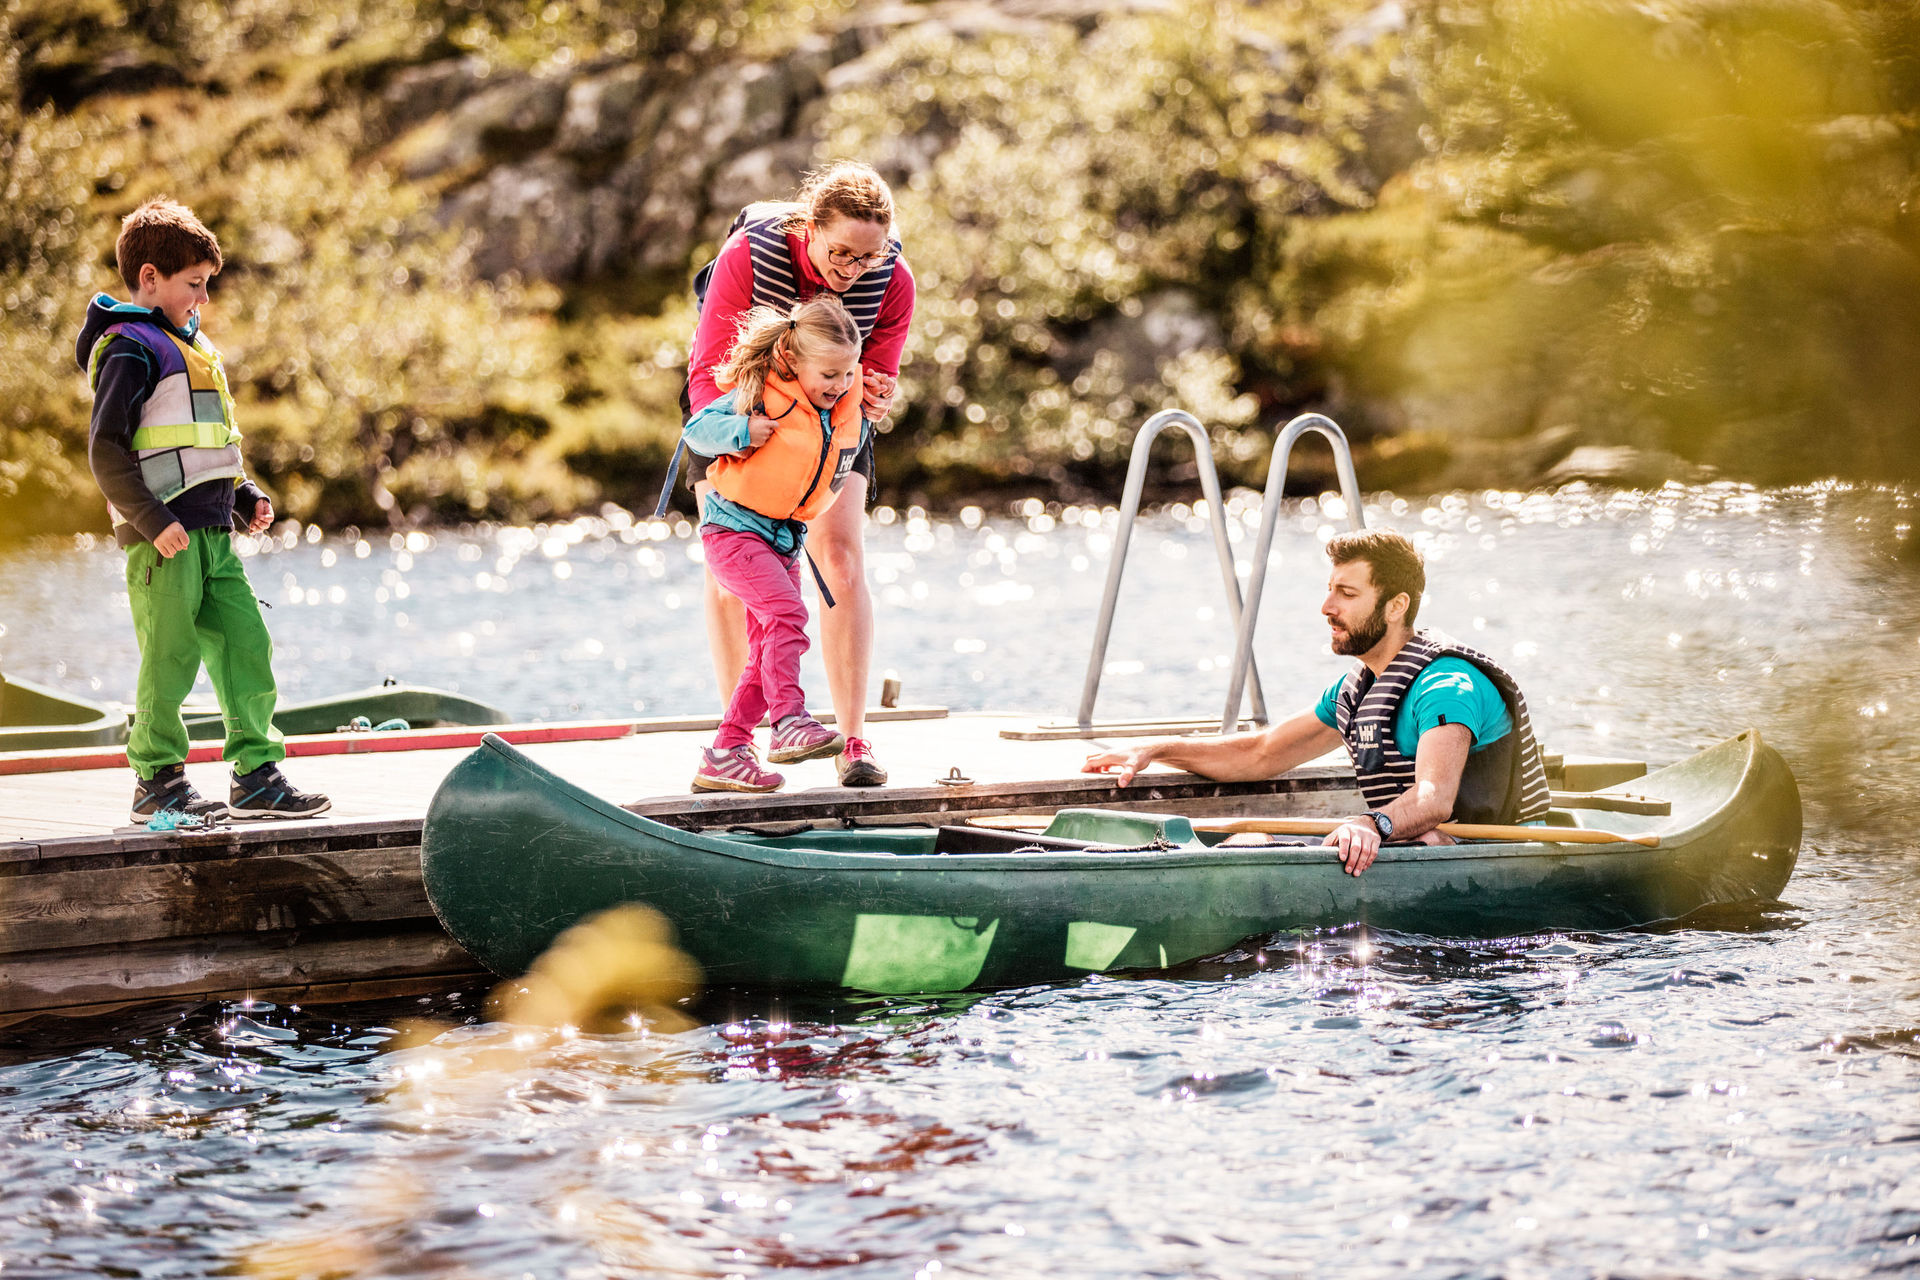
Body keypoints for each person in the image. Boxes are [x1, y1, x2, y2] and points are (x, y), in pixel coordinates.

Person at [1083, 529, 1550, 875]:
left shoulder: (1447, 685)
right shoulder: (1358, 687)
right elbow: (1261, 753)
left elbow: (1433, 801)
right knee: (1250, 840)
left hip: (1486, 857)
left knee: (1423, 833)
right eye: (1329, 590)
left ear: (1395, 606)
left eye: (1346, 594)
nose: (1327, 607)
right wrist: (1158, 751)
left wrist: (1370, 825)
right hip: (1409, 844)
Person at [75, 197, 329, 825]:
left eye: (207, 284)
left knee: (247, 642)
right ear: (150, 279)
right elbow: (106, 452)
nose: (203, 298)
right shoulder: (132, 349)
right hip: (162, 538)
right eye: (194, 284)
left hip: (213, 535)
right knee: (170, 655)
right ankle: (156, 781)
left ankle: (256, 775)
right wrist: (152, 521)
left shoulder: (195, 347)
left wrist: (244, 496)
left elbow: (209, 445)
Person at [674, 160, 914, 787]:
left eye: (868, 257)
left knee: (842, 558)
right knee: (736, 579)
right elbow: (706, 372)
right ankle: (740, 749)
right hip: (737, 409)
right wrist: (736, 437)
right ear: (810, 226)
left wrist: (876, 398)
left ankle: (853, 740)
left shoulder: (893, 279)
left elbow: (873, 382)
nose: (852, 270)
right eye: (840, 253)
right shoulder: (750, 255)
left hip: (832, 417)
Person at [681, 295, 872, 793]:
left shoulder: (839, 408)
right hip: (733, 533)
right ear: (791, 359)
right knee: (788, 618)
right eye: (829, 375)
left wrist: (873, 394)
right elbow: (697, 430)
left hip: (782, 540)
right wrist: (744, 430)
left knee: (766, 645)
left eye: (848, 374)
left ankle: (725, 752)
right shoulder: (762, 395)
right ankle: (789, 720)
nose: (840, 385)